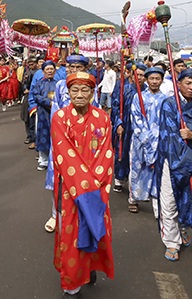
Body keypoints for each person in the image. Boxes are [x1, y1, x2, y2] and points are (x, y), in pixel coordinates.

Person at [51, 71, 114, 298]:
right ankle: (72, 284)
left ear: (92, 92)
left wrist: (96, 186)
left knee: (95, 226)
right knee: (71, 233)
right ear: (68, 93)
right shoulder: (60, 118)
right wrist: (86, 186)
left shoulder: (103, 118)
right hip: (70, 188)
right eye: (75, 90)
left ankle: (89, 268)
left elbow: (107, 153)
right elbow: (64, 155)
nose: (80, 95)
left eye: (85, 90)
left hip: (98, 186)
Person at [155, 68, 192, 262]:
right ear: (179, 84)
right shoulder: (169, 105)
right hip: (173, 161)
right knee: (169, 201)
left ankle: (183, 227)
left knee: (190, 200)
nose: (191, 87)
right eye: (188, 83)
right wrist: (188, 162)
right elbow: (170, 137)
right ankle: (171, 241)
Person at [44, 54, 97, 232]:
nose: (74, 71)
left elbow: (95, 115)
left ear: (85, 69)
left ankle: (81, 215)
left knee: (82, 180)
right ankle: (55, 215)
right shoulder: (60, 86)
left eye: (79, 68)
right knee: (58, 180)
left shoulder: (91, 86)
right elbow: (55, 113)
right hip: (62, 142)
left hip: (84, 142)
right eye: (71, 67)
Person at [130, 66, 167, 215]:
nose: (154, 81)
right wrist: (147, 136)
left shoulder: (166, 99)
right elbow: (136, 118)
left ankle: (157, 203)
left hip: (159, 140)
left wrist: (157, 136)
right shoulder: (138, 97)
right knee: (138, 169)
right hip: (141, 140)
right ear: (146, 79)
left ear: (162, 80)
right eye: (151, 78)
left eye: (157, 78)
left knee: (157, 171)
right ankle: (134, 199)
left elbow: (167, 120)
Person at [110, 62, 141, 195]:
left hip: (138, 126)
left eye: (142, 75)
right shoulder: (121, 85)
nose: (140, 78)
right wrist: (118, 124)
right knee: (121, 152)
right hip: (124, 124)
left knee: (136, 154)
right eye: (137, 74)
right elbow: (115, 105)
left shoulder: (145, 89)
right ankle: (119, 179)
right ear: (130, 74)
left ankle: (134, 183)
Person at [32, 60, 57, 171]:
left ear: (55, 71)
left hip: (56, 113)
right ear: (43, 71)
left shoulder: (59, 84)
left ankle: (55, 159)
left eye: (51, 69)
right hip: (43, 113)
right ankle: (43, 160)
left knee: (56, 136)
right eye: (47, 69)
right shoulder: (38, 84)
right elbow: (36, 97)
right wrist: (49, 103)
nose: (50, 71)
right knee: (42, 135)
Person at [21, 56, 38, 147]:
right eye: (30, 64)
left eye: (33, 64)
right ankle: (30, 136)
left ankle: (35, 139)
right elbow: (24, 85)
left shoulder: (41, 73)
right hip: (29, 97)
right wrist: (26, 88)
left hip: (38, 97)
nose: (32, 66)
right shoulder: (28, 72)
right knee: (27, 117)